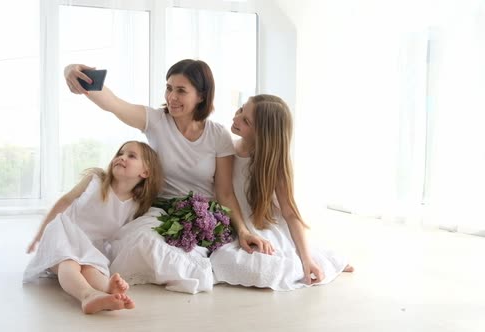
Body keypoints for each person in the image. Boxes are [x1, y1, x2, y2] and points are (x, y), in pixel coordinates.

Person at [64, 60, 272, 294]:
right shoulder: (155, 121)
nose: (172, 96)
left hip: (202, 215)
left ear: (201, 96)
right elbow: (114, 104)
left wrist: (243, 231)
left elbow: (224, 192)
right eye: (169, 87)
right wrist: (72, 71)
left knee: (195, 262)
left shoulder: (217, 134)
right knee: (146, 243)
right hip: (160, 210)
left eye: (181, 90)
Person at [210, 94, 354, 290]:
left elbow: (290, 213)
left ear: (262, 133)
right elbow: (224, 192)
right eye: (241, 110)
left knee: (272, 264)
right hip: (233, 218)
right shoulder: (227, 149)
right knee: (223, 260)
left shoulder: (273, 165)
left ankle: (319, 260)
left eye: (246, 121)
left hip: (259, 221)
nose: (236, 119)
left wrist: (306, 260)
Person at [23, 141, 163, 314]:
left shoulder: (136, 205)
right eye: (120, 153)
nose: (121, 157)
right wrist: (40, 235)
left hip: (91, 246)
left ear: (145, 172)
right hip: (64, 232)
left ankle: (108, 288)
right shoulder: (95, 180)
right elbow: (64, 201)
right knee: (70, 262)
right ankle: (87, 295)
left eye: (131, 156)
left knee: (91, 268)